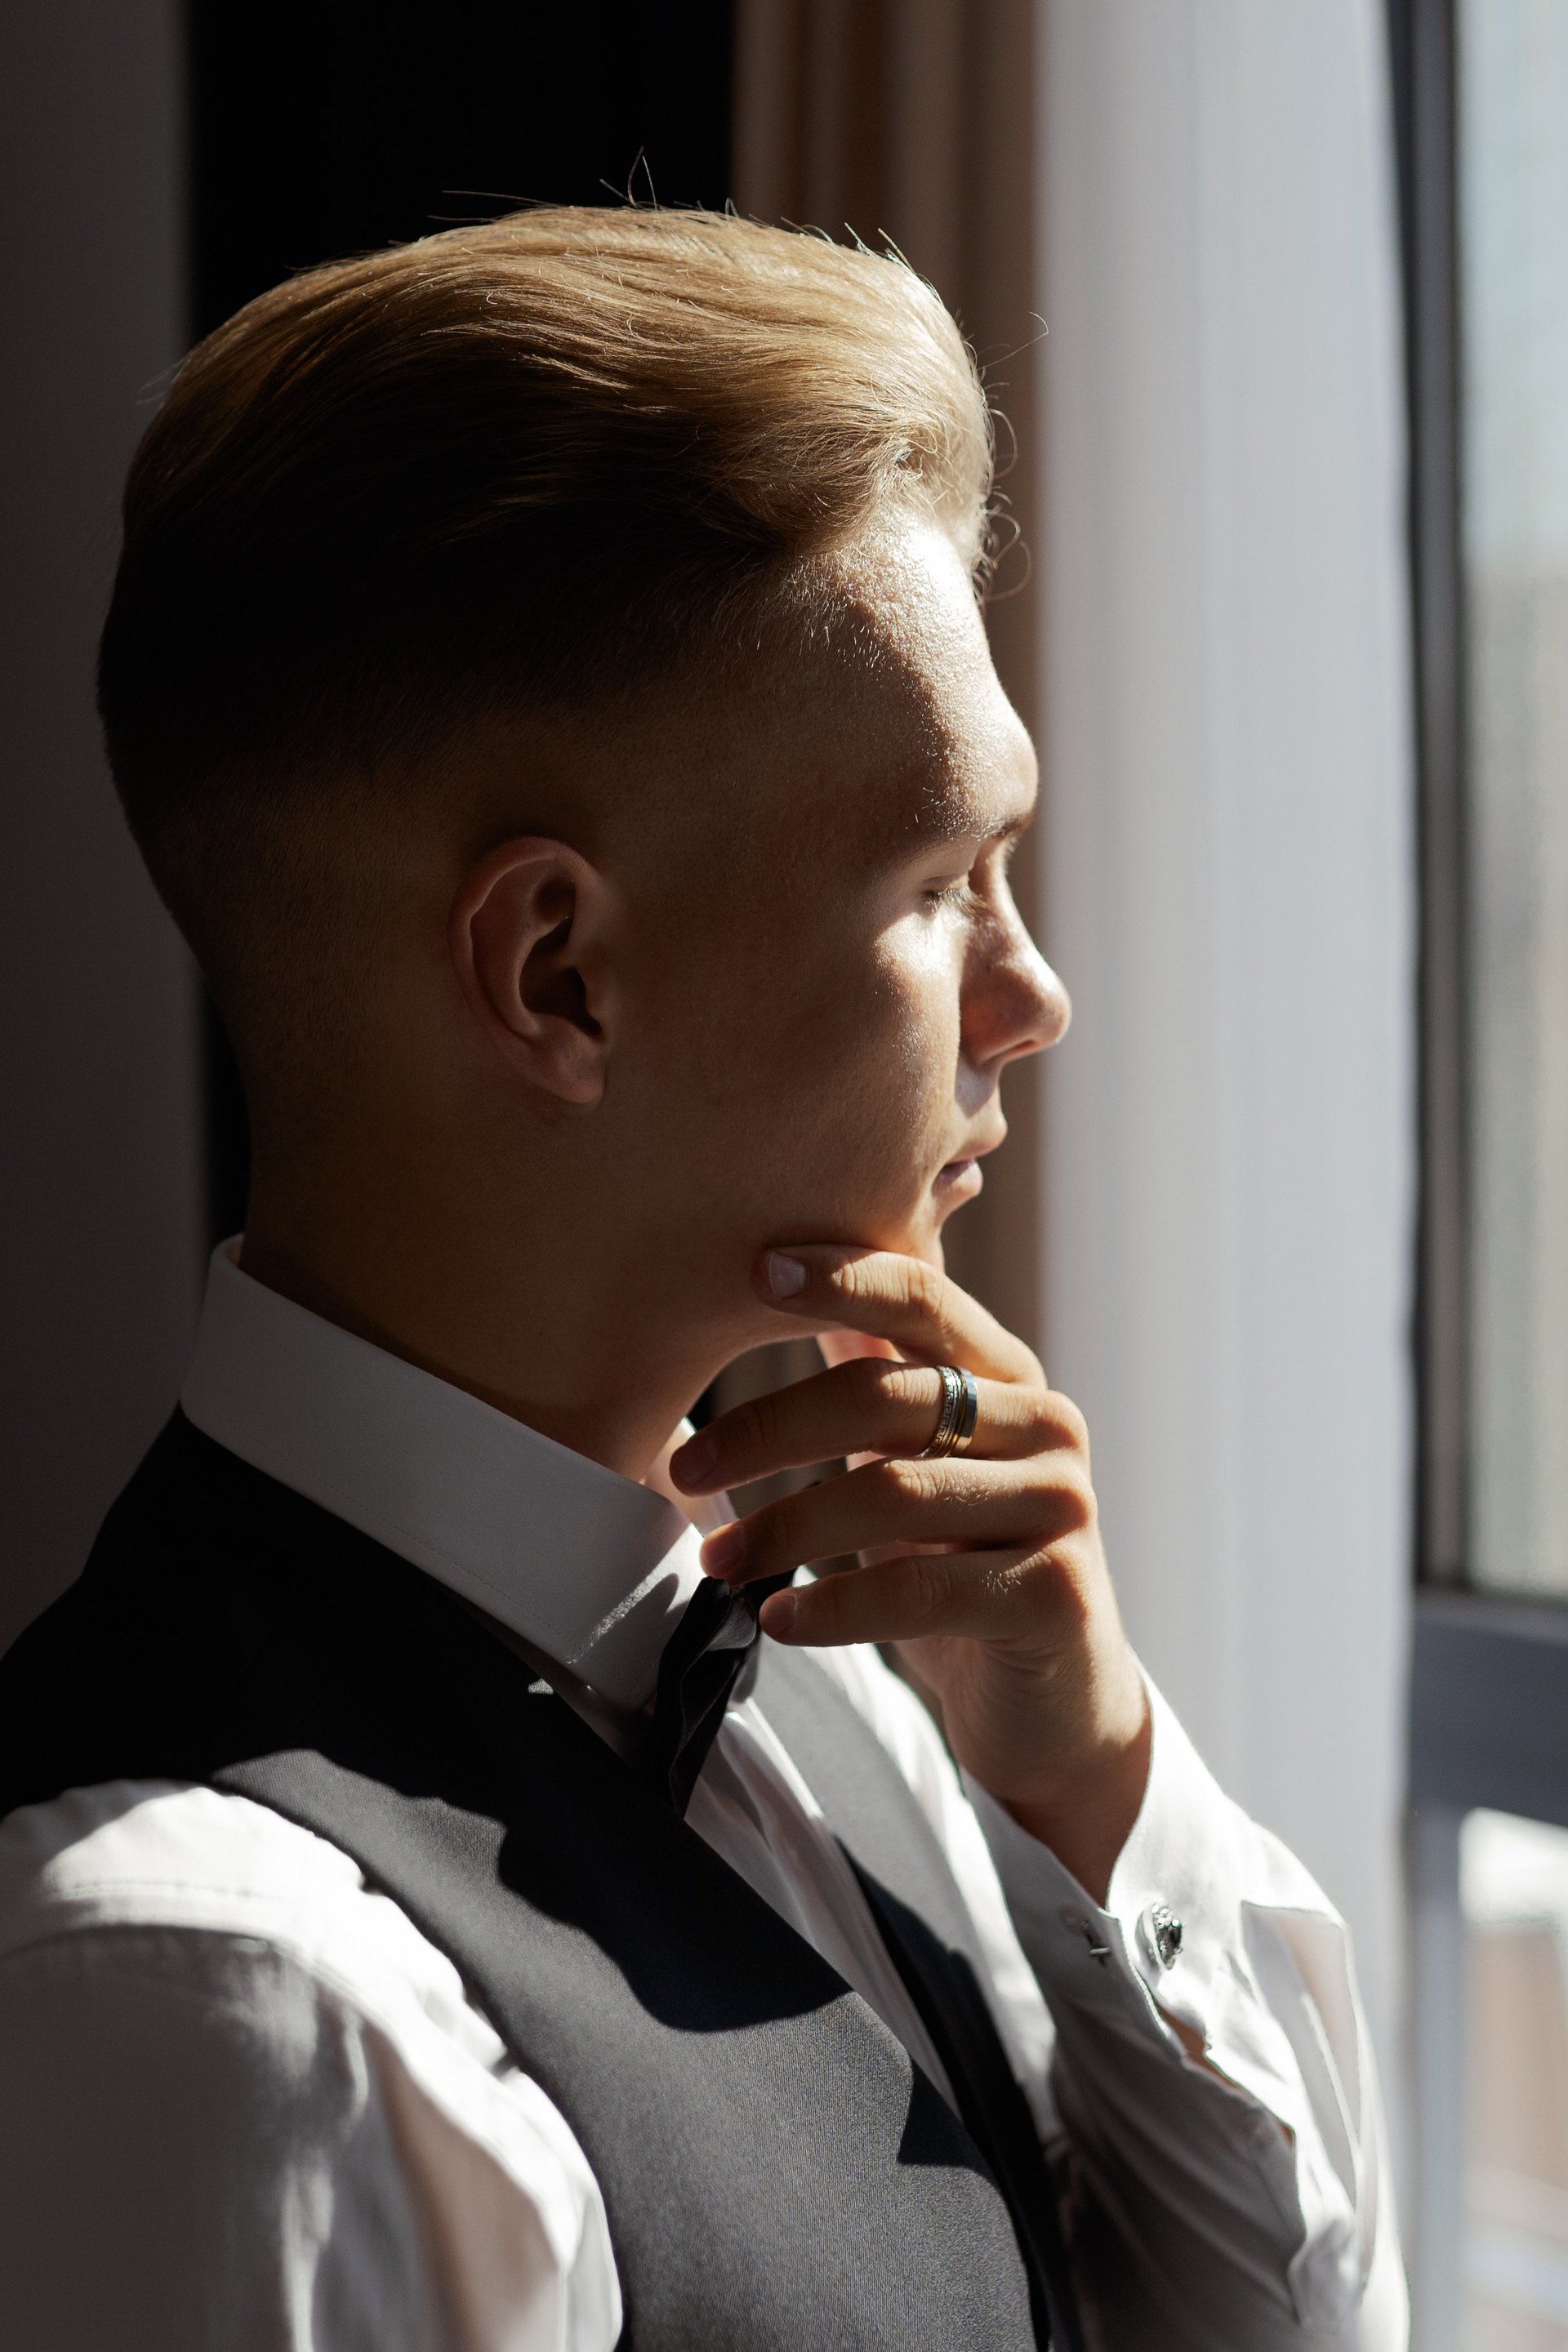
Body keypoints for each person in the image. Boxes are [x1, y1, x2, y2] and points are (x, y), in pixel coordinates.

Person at [0, 207, 1406, 2350]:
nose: (1032, 995)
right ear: (559, 974)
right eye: (942, 880)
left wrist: (1095, 1776)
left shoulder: (852, 1693)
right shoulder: (224, 1998)